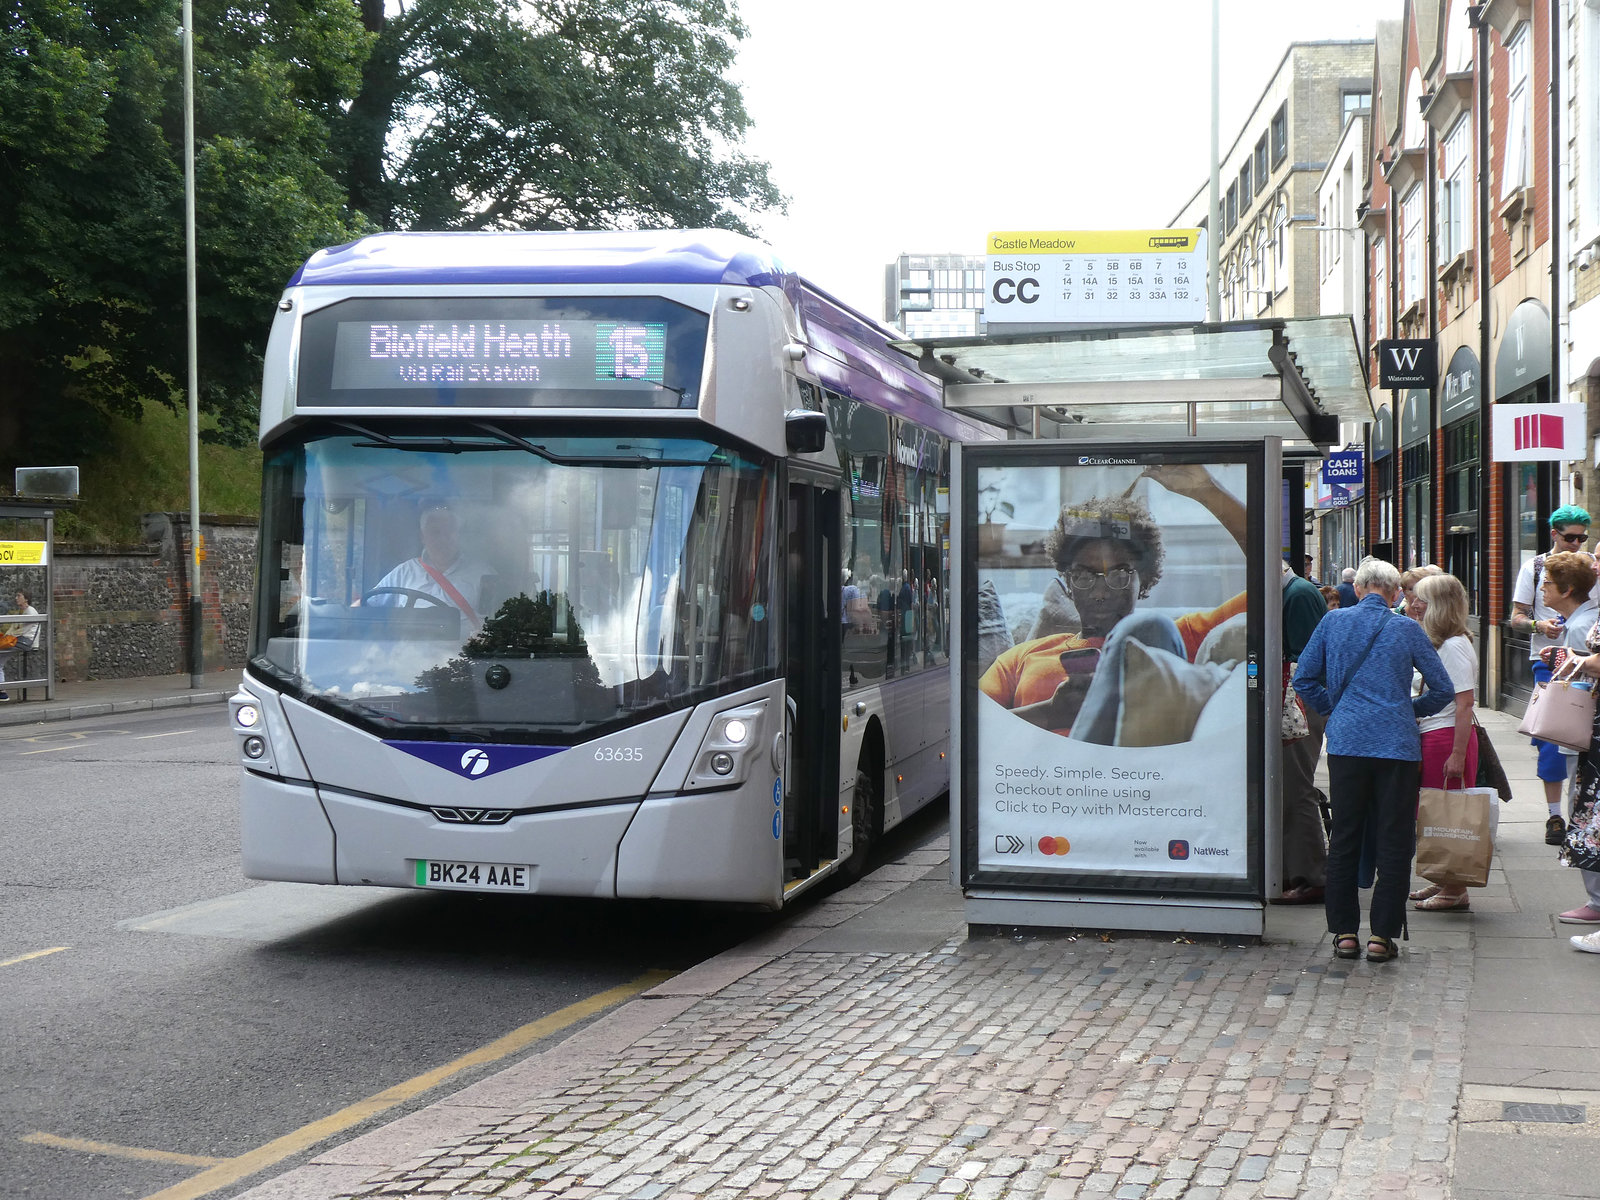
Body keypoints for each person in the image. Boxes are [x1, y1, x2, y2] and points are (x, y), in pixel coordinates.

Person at [979, 464, 1248, 741]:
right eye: (1083, 575)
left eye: (1119, 574)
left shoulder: (1173, 637)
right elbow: (966, 733)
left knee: (1148, 629)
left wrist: (1207, 490)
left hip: (1136, 778)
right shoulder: (1021, 659)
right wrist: (1051, 713)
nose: (1100, 592)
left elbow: (1275, 584)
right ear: (1068, 584)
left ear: (1143, 579)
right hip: (1049, 779)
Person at [1293, 558, 1454, 963]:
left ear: (1360, 588)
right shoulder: (1405, 629)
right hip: (1397, 746)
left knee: (1345, 836)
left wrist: (1335, 709)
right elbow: (1444, 689)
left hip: (1347, 744)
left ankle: (1345, 933)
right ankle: (1382, 937)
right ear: (1396, 593)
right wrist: (1408, 708)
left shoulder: (1333, 623)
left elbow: (1304, 678)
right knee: (1395, 840)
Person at [1510, 505, 1593, 844]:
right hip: (1546, 660)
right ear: (1554, 534)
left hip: (1585, 656)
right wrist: (1537, 625)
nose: (1576, 543)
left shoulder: (1591, 567)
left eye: (1582, 537)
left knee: (1583, 741)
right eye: (1570, 537)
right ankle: (1555, 816)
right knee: (1551, 740)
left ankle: (1583, 810)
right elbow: (1516, 617)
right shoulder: (1535, 568)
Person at [1406, 573, 1481, 913]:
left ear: (1438, 605)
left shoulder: (1452, 647)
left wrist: (1457, 753)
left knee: (1447, 812)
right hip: (1438, 734)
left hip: (1446, 736)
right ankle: (1446, 878)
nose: (1414, 603)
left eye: (1421, 598)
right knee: (1437, 812)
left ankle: (1455, 889)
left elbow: (1464, 703)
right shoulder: (1446, 642)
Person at [1276, 560, 1330, 904]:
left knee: (1296, 790)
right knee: (1289, 789)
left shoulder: (1297, 595)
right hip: (1294, 703)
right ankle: (1294, 871)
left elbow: (1306, 661)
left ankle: (1311, 876)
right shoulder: (1294, 593)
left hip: (1297, 705)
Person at [367, 506, 490, 635]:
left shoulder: (483, 574)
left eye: (449, 532)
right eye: (435, 532)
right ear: (422, 537)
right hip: (405, 651)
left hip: (461, 652)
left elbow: (497, 621)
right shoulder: (404, 572)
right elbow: (366, 605)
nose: (443, 539)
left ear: (459, 535)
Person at [0, 589, 40, 702]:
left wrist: (6, 638)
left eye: (19, 596)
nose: (16, 598)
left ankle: (2, 692)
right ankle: (2, 691)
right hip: (18, 640)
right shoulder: (22, 611)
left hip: (23, 641)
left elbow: (21, 630)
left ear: (26, 598)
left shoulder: (30, 611)